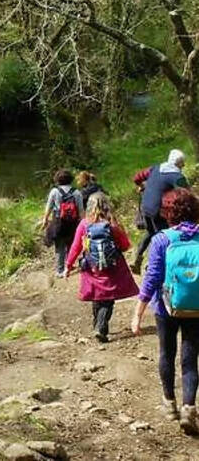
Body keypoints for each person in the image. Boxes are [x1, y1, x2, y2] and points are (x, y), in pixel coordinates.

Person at [132, 188, 199, 435]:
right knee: (191, 359)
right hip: (197, 307)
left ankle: (170, 403)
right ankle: (189, 408)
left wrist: (138, 313)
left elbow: (151, 278)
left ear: (168, 213)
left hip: (166, 307)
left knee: (166, 353)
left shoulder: (161, 239)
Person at [63, 192, 138, 342]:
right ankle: (100, 327)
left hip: (91, 267)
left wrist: (68, 266)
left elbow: (75, 247)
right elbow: (125, 245)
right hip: (112, 267)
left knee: (97, 297)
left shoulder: (84, 224)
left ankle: (97, 325)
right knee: (108, 299)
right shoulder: (112, 223)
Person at [132, 149, 189, 274]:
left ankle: (137, 257)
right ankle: (154, 264)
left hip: (145, 207)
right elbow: (187, 196)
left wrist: (141, 186)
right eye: (182, 163)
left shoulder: (155, 168)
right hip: (159, 210)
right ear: (178, 163)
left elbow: (137, 177)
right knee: (164, 236)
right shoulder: (177, 176)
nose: (183, 166)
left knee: (151, 232)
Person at [43, 169, 84, 278]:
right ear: (71, 179)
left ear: (58, 179)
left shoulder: (54, 191)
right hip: (73, 223)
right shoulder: (76, 192)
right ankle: (69, 266)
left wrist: (45, 219)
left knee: (59, 246)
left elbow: (49, 207)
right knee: (71, 244)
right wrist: (82, 223)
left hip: (58, 222)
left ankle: (60, 270)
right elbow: (81, 211)